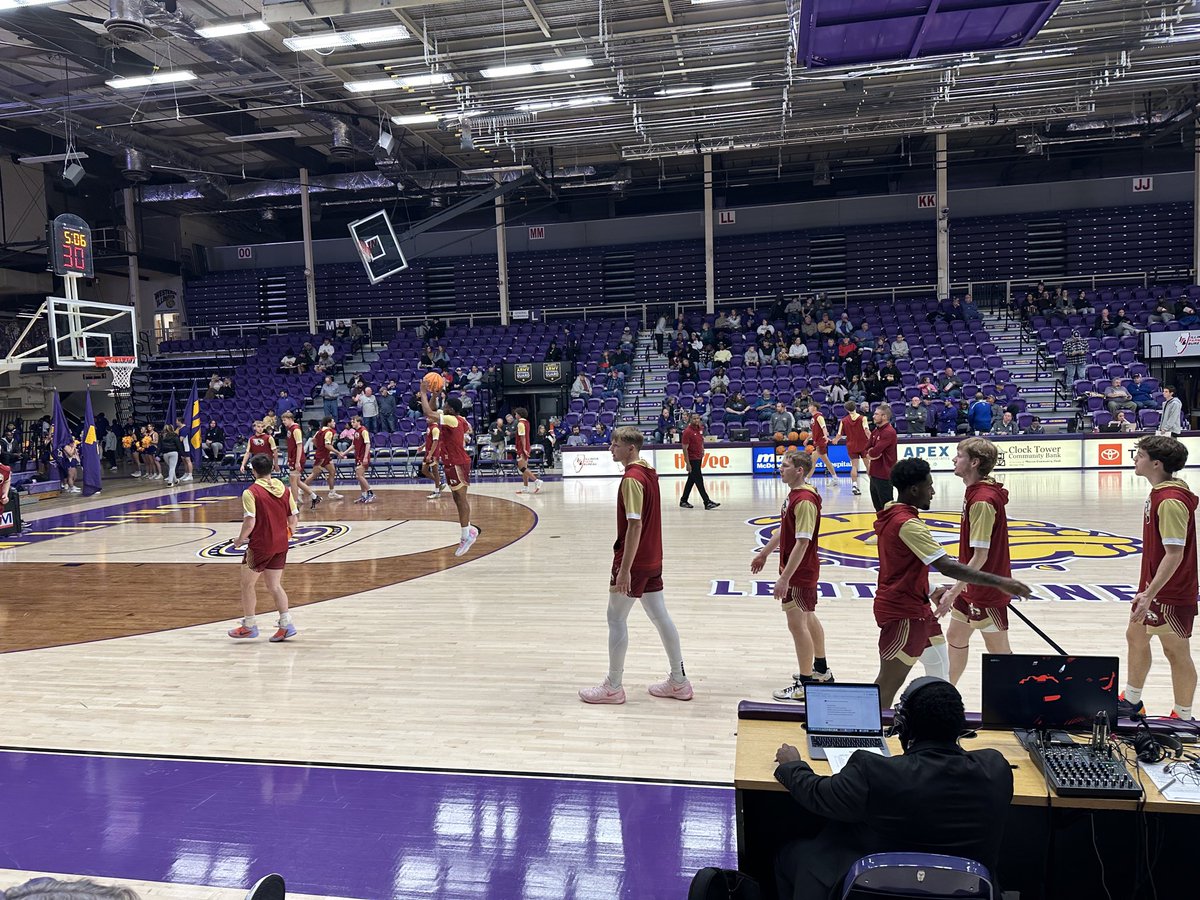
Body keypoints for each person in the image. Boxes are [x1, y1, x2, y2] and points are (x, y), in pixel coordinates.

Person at [772, 678, 1014, 900]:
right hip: (964, 890)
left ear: (902, 725)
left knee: (789, 854)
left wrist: (793, 766)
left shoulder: (874, 771)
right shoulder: (996, 770)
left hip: (876, 889)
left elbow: (817, 793)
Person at [873, 458, 1032, 706]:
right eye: (929, 486)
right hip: (902, 612)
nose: (933, 491)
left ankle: (936, 728)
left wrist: (933, 589)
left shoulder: (892, 510)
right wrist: (1001, 582)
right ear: (914, 490)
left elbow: (900, 568)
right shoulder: (908, 524)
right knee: (888, 683)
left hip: (918, 608)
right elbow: (948, 567)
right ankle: (865, 739)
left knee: (940, 674)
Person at [579, 426, 691, 704]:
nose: (611, 449)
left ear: (630, 448)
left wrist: (625, 569)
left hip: (635, 561)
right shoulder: (649, 472)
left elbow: (635, 524)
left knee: (615, 618)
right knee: (660, 616)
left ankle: (613, 686)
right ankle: (679, 681)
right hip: (653, 557)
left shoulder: (631, 479)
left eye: (615, 444)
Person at [1120, 436, 1197, 721]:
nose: (1135, 459)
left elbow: (1174, 554)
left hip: (1171, 591)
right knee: (1136, 636)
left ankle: (1184, 716)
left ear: (1156, 463)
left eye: (1139, 455)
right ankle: (1132, 701)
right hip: (1153, 587)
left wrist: (1150, 593)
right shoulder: (1160, 492)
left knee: (1175, 650)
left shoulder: (1171, 501)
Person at [751, 451, 835, 702]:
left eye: (785, 466)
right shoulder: (795, 495)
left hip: (800, 571)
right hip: (799, 570)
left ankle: (806, 683)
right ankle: (821, 671)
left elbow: (802, 542)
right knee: (808, 619)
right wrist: (764, 553)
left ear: (799, 470)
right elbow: (783, 529)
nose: (781, 469)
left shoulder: (805, 500)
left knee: (797, 625)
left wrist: (785, 578)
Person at [939, 439, 1015, 685]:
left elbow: (980, 556)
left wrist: (953, 592)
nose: (954, 459)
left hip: (985, 589)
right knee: (955, 636)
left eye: (959, 455)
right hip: (970, 586)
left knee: (999, 653)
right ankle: (947, 693)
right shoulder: (976, 490)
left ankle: (1014, 704)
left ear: (974, 462)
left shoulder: (982, 501)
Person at [228, 452, 298, 642]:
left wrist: (240, 540)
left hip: (260, 546)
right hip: (281, 544)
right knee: (274, 585)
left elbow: (250, 522)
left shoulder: (250, 492)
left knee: (247, 584)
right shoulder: (284, 489)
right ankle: (286, 624)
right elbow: (293, 519)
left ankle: (249, 625)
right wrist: (285, 535)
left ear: (253, 471)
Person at [421, 387, 478, 557]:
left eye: (445, 405)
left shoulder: (451, 420)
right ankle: (468, 531)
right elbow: (430, 413)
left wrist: (423, 393)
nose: (443, 407)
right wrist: (435, 395)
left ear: (451, 410)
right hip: (452, 462)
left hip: (457, 463)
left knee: (461, 499)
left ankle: (466, 536)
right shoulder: (457, 418)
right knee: (457, 498)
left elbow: (427, 412)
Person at [864, 403, 897, 522]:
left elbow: (874, 451)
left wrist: (872, 453)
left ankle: (891, 532)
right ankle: (881, 532)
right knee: (878, 507)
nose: (873, 416)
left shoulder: (888, 432)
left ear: (884, 417)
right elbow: (867, 448)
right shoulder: (876, 430)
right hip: (874, 473)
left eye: (876, 414)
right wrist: (871, 453)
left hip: (885, 473)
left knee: (887, 506)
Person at [679, 414, 719, 510]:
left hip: (699, 457)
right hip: (692, 459)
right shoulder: (687, 432)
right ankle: (707, 501)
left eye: (697, 418)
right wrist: (687, 463)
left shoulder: (700, 429)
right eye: (694, 418)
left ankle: (683, 500)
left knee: (691, 480)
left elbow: (701, 441)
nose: (696, 420)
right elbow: (684, 448)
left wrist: (702, 449)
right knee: (699, 480)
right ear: (690, 419)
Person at [302, 416, 343, 506]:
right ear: (328, 423)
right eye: (333, 422)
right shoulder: (329, 432)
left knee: (332, 471)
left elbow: (313, 440)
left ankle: (332, 492)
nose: (334, 423)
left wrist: (319, 448)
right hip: (322, 457)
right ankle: (301, 490)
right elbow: (327, 445)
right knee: (314, 474)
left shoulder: (319, 431)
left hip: (324, 455)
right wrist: (337, 452)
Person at [281, 412, 318, 508]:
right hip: (293, 457)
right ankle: (314, 496)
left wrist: (297, 461)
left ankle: (294, 503)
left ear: (290, 419)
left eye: (284, 420)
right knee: (296, 481)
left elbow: (299, 446)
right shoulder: (289, 429)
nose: (283, 422)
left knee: (293, 480)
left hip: (297, 458)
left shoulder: (296, 430)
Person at [833, 401, 870, 495]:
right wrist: (872, 440)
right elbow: (867, 431)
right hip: (863, 444)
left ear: (846, 409)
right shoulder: (863, 418)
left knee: (854, 466)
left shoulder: (843, 420)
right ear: (855, 407)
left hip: (851, 445)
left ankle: (854, 485)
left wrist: (835, 440)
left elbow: (839, 434)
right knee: (868, 465)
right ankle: (874, 484)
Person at [513, 407, 544, 496]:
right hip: (526, 446)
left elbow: (522, 437)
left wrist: (524, 449)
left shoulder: (520, 424)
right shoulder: (527, 422)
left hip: (522, 448)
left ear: (519, 415)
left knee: (521, 467)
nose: (515, 416)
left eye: (515, 414)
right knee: (524, 468)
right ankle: (526, 487)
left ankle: (536, 481)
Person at [806, 402, 837, 486]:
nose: (808, 407)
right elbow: (814, 432)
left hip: (821, 442)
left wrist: (826, 436)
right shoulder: (813, 418)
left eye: (810, 406)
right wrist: (807, 439)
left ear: (815, 408)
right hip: (817, 442)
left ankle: (806, 480)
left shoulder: (819, 416)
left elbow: (824, 427)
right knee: (826, 461)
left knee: (812, 461)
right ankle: (835, 479)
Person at [348, 414, 374, 504]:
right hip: (358, 456)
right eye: (351, 422)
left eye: (353, 422)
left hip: (363, 456)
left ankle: (370, 493)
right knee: (360, 476)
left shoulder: (364, 431)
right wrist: (344, 453)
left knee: (359, 475)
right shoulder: (356, 432)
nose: (352, 423)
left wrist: (366, 457)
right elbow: (353, 445)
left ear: (358, 422)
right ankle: (364, 495)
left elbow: (368, 444)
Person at [422, 418, 446, 499]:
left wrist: (430, 454)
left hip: (433, 453)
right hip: (428, 452)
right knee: (424, 471)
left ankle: (437, 491)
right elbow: (429, 440)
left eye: (429, 418)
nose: (427, 419)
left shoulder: (435, 429)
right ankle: (439, 483)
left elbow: (435, 442)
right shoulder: (429, 427)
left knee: (435, 471)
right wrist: (422, 447)